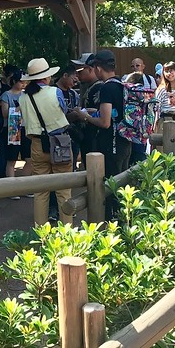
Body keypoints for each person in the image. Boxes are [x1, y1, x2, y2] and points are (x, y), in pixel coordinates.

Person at [18, 58, 73, 226]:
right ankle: (67, 230)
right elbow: (63, 111)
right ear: (47, 77)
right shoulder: (55, 92)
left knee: (41, 191)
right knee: (63, 189)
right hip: (59, 142)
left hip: (36, 144)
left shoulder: (23, 98)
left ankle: (40, 230)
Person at [80, 50, 131, 220]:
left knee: (111, 190)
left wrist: (86, 117)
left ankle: (111, 228)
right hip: (125, 141)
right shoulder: (122, 84)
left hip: (111, 144)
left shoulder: (106, 88)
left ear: (98, 68)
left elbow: (105, 122)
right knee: (122, 186)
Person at [0, 69, 31, 198]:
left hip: (26, 127)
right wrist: (20, 107)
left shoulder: (26, 95)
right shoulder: (6, 94)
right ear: (14, 81)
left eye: (25, 82)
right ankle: (12, 189)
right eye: (21, 82)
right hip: (12, 127)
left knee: (30, 159)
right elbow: (5, 114)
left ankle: (23, 187)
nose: (24, 84)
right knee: (11, 159)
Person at [71, 53, 101, 169]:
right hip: (87, 138)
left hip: (95, 138)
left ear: (90, 69)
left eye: (80, 70)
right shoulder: (89, 86)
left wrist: (83, 113)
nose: (78, 74)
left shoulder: (100, 87)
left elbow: (101, 112)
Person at [0, 64, 18, 178]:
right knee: (3, 148)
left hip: (14, 123)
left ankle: (5, 175)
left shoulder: (17, 90)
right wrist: (4, 99)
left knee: (11, 152)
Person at [56, 64, 81, 169]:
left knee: (73, 161)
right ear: (65, 75)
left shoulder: (73, 94)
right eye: (73, 79)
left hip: (72, 133)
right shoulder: (52, 91)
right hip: (57, 135)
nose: (75, 82)